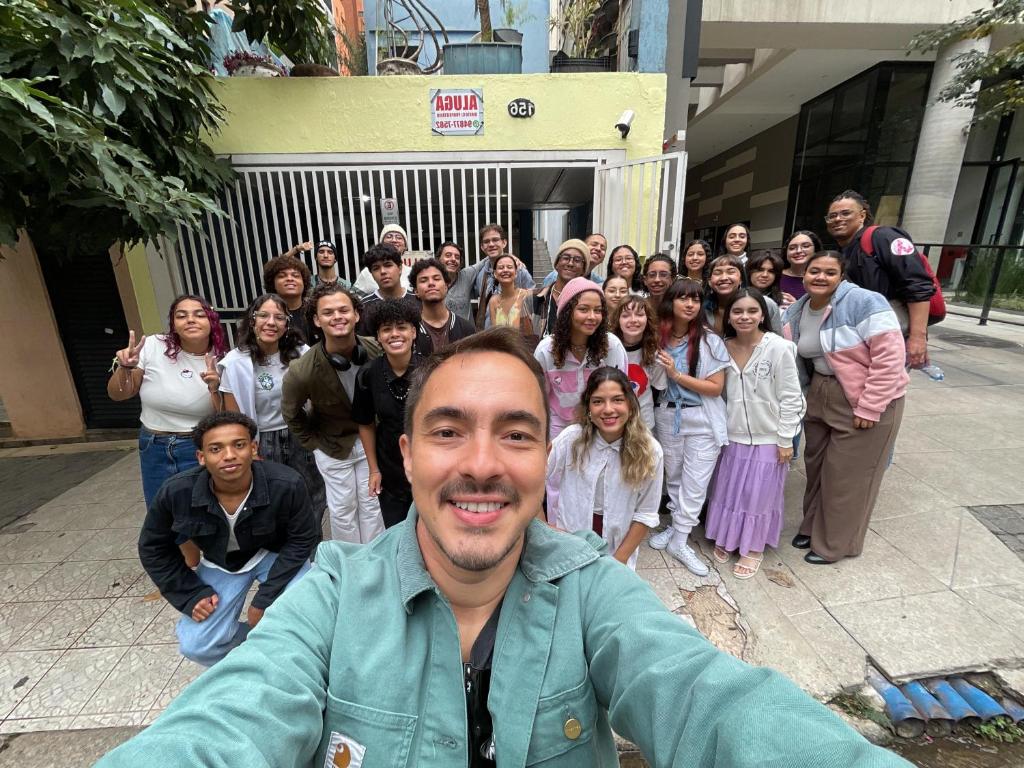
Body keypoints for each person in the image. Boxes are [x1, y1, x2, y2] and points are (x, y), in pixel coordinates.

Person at [99, 326, 909, 768]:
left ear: (542, 458)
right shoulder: (332, 592)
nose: (482, 463)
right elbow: (227, 721)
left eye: (514, 434)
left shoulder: (597, 592)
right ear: (407, 456)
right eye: (448, 431)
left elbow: (711, 702)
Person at [137, 411, 317, 666]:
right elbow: (152, 547)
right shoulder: (176, 492)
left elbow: (302, 539)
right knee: (197, 644)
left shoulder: (287, 483)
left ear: (254, 449)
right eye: (215, 449)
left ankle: (295, 653)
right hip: (223, 562)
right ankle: (256, 651)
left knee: (307, 617)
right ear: (201, 457)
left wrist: (264, 599)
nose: (229, 455)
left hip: (276, 555)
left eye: (239, 445)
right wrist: (189, 594)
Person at [782, 251, 907, 565]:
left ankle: (835, 544)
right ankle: (812, 528)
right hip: (821, 391)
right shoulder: (797, 309)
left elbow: (890, 359)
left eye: (829, 272)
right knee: (819, 467)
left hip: (864, 396)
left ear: (841, 276)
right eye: (814, 271)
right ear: (804, 274)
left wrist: (870, 406)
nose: (820, 277)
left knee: (847, 476)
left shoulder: (865, 302)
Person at [107, 294, 227, 569]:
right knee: (163, 510)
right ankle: (188, 566)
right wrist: (126, 368)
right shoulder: (152, 347)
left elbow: (223, 417)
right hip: (154, 444)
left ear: (211, 320)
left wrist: (213, 388)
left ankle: (211, 565)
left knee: (202, 510)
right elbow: (119, 394)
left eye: (198, 314)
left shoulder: (221, 360)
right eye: (181, 315)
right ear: (173, 323)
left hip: (196, 446)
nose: (190, 320)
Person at [705, 288, 805, 579]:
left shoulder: (778, 347)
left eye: (752, 311)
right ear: (728, 316)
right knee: (731, 491)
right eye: (737, 311)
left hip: (769, 436)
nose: (744, 317)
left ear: (763, 314)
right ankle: (728, 536)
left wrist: (786, 438)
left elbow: (792, 396)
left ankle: (753, 547)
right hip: (732, 434)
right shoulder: (721, 347)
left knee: (758, 495)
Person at [281, 283, 385, 544]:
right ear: (316, 320)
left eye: (343, 310)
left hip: (370, 443)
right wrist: (315, 445)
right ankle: (349, 564)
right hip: (331, 446)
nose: (337, 317)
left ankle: (374, 561)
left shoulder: (376, 350)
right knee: (342, 510)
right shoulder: (302, 369)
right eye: (328, 313)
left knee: (373, 506)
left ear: (356, 314)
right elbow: (291, 414)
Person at [217, 294, 326, 532]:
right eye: (263, 316)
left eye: (279, 317)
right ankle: (279, 557)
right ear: (252, 321)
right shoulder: (235, 363)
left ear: (287, 324)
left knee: (312, 497)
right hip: (263, 441)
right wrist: (246, 448)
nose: (271, 322)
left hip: (300, 437)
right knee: (272, 502)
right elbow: (234, 418)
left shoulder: (301, 353)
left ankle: (309, 553)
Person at [648, 279, 730, 576]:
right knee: (675, 478)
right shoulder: (659, 337)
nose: (691, 304)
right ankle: (676, 528)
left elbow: (715, 388)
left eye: (696, 299)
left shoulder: (710, 340)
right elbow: (656, 383)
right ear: (671, 302)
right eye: (683, 298)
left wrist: (676, 374)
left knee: (695, 483)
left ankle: (680, 540)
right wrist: (661, 368)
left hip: (702, 419)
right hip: (668, 415)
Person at [546, 367, 663, 570]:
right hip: (570, 544)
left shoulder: (650, 451)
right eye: (598, 401)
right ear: (588, 408)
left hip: (618, 549)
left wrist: (618, 562)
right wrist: (547, 529)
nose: (608, 409)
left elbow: (645, 513)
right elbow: (534, 479)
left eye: (617, 399)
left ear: (630, 404)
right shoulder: (571, 439)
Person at [826, 190, 935, 367]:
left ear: (862, 216)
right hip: (860, 332)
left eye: (846, 213)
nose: (838, 219)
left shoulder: (884, 237)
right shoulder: (845, 251)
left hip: (889, 328)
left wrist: (918, 337)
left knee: (883, 387)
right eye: (832, 216)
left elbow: (918, 286)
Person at [353, 300, 422, 529]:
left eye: (401, 327)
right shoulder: (368, 374)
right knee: (397, 532)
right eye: (386, 329)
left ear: (413, 332)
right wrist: (374, 469)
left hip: (428, 466)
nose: (394, 334)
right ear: (378, 337)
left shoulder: (432, 370)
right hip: (389, 466)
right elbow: (365, 423)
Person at [534, 277, 629, 439]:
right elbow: (538, 397)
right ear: (567, 312)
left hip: (601, 428)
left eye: (598, 310)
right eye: (584, 309)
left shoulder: (612, 346)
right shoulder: (546, 350)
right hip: (558, 429)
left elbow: (621, 394)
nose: (592, 316)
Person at [611, 296, 665, 432]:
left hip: (643, 423)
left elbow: (658, 388)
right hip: (611, 421)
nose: (633, 320)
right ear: (618, 320)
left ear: (648, 319)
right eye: (626, 315)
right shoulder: (607, 349)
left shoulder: (655, 353)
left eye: (640, 315)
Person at [472, 223, 535, 325]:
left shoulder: (519, 270)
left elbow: (532, 301)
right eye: (486, 241)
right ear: (482, 247)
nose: (491, 244)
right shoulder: (480, 275)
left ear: (504, 243)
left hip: (515, 334)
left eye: (495, 240)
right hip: (490, 333)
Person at [410, 257, 476, 355]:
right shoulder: (409, 330)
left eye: (436, 279)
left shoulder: (466, 329)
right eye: (424, 280)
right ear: (416, 291)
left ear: (446, 286)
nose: (431, 283)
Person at [705, 255, 782, 335]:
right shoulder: (700, 308)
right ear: (710, 282)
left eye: (731, 272)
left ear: (741, 279)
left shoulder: (765, 303)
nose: (724, 278)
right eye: (717, 273)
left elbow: (779, 340)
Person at [355, 242, 421, 336]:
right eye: (376, 268)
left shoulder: (419, 301)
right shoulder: (364, 308)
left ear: (400, 268)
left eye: (388, 265)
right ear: (371, 274)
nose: (383, 271)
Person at [530, 239, 588, 339]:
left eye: (577, 260)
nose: (570, 263)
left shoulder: (588, 302)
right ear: (556, 264)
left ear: (584, 269)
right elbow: (525, 341)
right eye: (566, 258)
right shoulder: (534, 298)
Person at [262, 254, 313, 343]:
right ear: (272, 283)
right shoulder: (263, 315)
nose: (290, 279)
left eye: (295, 275)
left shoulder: (315, 311)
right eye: (282, 276)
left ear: (304, 282)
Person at [436, 241, 488, 322]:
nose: (453, 259)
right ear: (438, 259)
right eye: (448, 255)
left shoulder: (466, 276)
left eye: (457, 257)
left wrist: (510, 258)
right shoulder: (432, 280)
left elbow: (486, 260)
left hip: (467, 333)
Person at [353, 224, 413, 295]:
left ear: (405, 247)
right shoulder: (367, 273)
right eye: (389, 237)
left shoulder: (411, 273)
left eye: (399, 238)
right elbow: (354, 298)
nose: (394, 240)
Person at [485, 253, 534, 340]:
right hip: (502, 349)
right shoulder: (493, 301)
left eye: (509, 267)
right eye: (501, 267)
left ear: (516, 273)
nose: (505, 270)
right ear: (495, 274)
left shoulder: (527, 296)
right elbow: (495, 333)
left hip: (524, 350)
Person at [541, 233, 608, 286]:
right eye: (594, 244)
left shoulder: (600, 283)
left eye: (603, 248)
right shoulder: (554, 277)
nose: (598, 249)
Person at [780, 230, 823, 308]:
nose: (798, 251)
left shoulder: (823, 279)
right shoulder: (774, 275)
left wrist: (797, 307)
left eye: (805, 246)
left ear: (816, 250)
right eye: (792, 248)